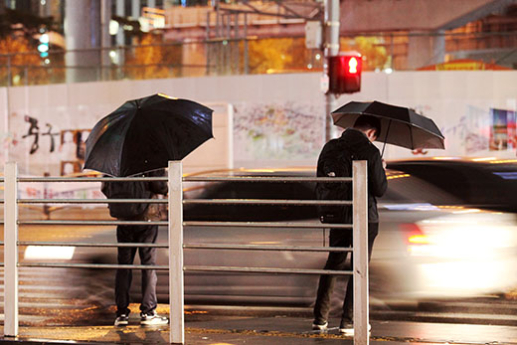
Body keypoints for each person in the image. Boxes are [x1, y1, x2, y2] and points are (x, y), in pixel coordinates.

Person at [312, 115, 387, 335]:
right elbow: (380, 189)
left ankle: (320, 318)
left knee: (333, 263)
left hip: (337, 215)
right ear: (372, 133)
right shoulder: (370, 152)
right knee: (359, 268)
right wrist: (381, 168)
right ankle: (349, 322)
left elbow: (321, 178)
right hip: (364, 217)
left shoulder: (330, 147)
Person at [102, 169, 169, 326]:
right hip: (147, 219)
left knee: (124, 266)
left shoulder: (116, 161)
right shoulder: (150, 158)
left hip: (124, 220)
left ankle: (121, 314)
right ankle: (148, 311)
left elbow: (105, 187)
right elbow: (159, 186)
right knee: (148, 265)